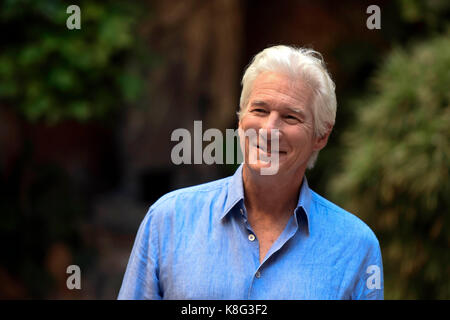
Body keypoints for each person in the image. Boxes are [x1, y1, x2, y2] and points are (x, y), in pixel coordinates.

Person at [118, 45, 384, 300]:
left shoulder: (356, 247)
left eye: (291, 117)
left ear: (321, 136)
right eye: (259, 110)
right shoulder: (169, 220)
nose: (269, 130)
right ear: (240, 120)